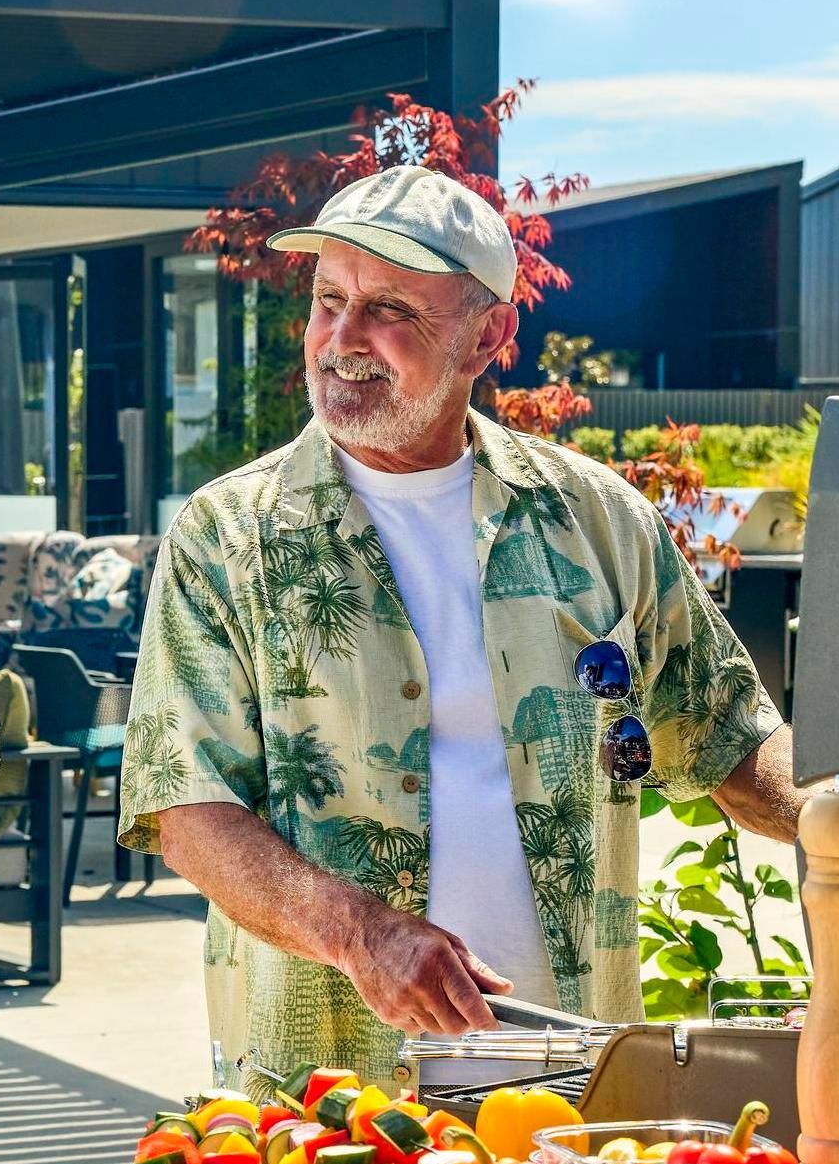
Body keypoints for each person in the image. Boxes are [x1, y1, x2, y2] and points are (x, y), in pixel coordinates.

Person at [118, 165, 801, 1086]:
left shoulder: (596, 519)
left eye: (390, 309)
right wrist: (365, 937)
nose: (341, 340)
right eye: (329, 301)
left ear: (489, 335)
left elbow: (730, 740)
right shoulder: (227, 537)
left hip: (573, 1072)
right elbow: (189, 814)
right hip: (335, 1092)